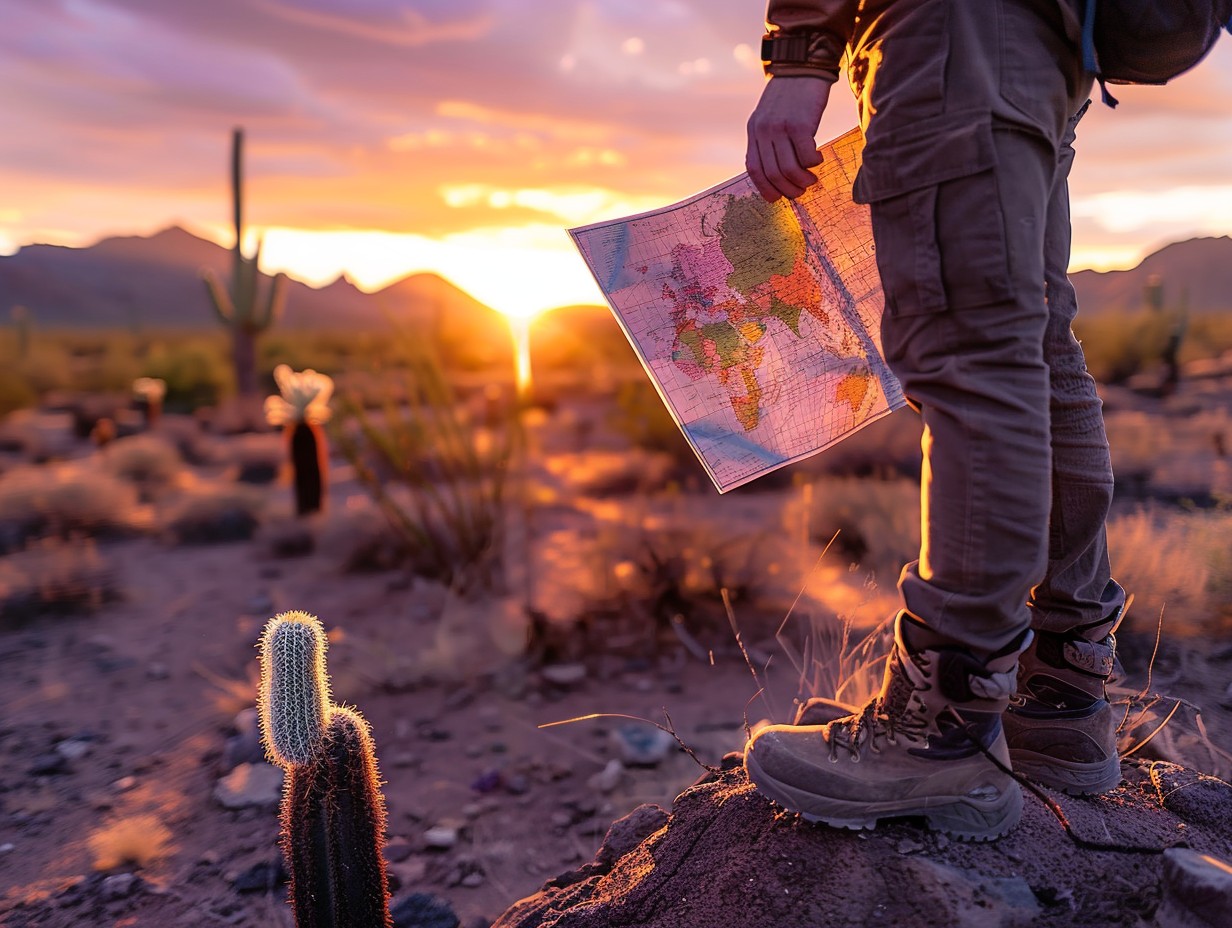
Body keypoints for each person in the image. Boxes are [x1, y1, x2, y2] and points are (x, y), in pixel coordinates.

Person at [742, 0, 1127, 840]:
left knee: (970, 346)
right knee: (1031, 337)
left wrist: (801, 57)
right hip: (1040, 44)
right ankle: (1059, 690)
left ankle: (943, 725)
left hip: (947, 30)